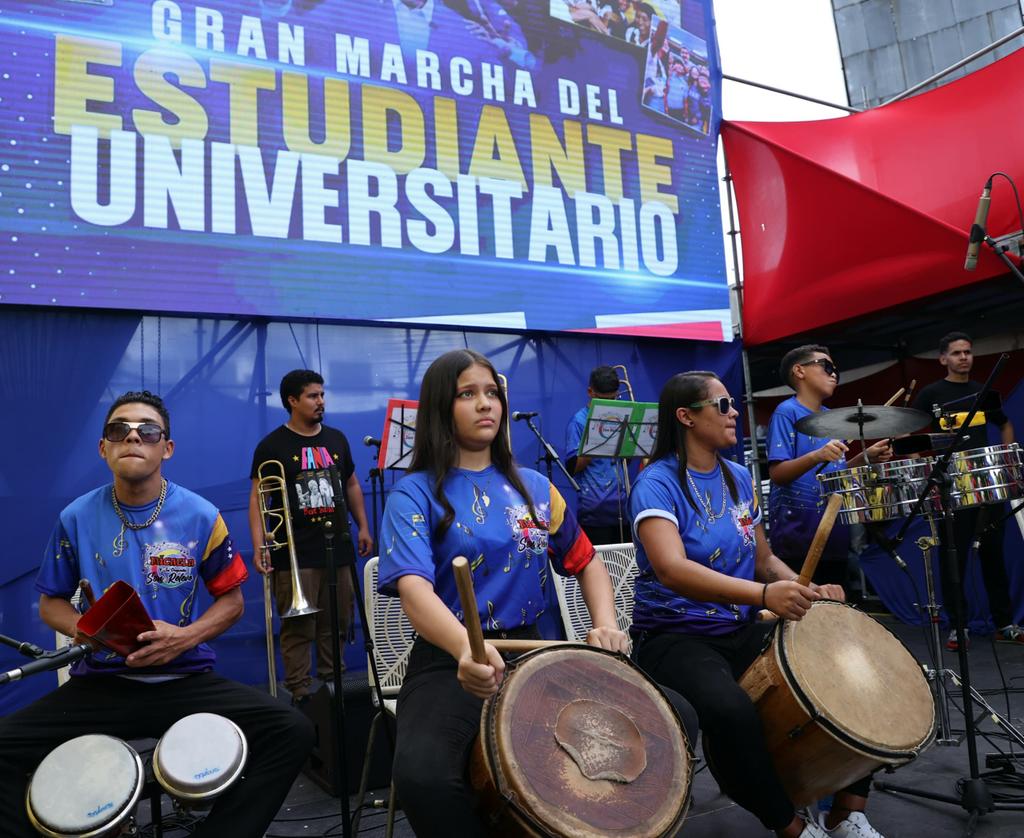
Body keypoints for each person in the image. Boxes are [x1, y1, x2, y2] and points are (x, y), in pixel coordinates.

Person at [377, 349, 681, 836]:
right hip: (450, 661)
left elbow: (587, 562)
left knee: (671, 720)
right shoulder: (413, 494)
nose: (486, 405)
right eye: (468, 394)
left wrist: (604, 624)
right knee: (423, 778)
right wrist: (465, 650)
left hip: (538, 653)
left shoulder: (538, 488)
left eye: (492, 393)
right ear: (440, 407)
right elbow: (414, 590)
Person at [0, 390, 314, 837]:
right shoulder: (75, 517)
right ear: (103, 447)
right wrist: (88, 630)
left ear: (165, 448)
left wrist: (185, 638)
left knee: (293, 731)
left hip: (185, 679)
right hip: (102, 684)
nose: (132, 437)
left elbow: (232, 602)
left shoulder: (202, 515)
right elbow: (51, 603)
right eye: (117, 430)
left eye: (147, 430)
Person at [629, 371, 885, 838]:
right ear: (686, 417)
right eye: (722, 405)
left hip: (740, 625)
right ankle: (790, 827)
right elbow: (671, 569)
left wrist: (806, 590)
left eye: (732, 404)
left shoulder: (737, 477)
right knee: (731, 710)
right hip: (673, 635)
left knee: (847, 664)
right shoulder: (656, 482)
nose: (734, 415)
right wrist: (766, 596)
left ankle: (848, 811)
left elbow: (764, 558)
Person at [249, 369, 373, 705]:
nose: (321, 402)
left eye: (322, 395)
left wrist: (362, 525)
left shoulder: (337, 438)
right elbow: (259, 498)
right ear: (292, 401)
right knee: (298, 628)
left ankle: (336, 686)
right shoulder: (272, 445)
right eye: (312, 396)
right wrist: (261, 545)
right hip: (294, 552)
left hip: (337, 549)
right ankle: (301, 692)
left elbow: (351, 484)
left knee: (338, 621)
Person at [912, 331, 1022, 649]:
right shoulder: (931, 394)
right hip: (951, 486)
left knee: (993, 554)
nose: (964, 357)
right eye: (957, 353)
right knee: (953, 556)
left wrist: (1006, 459)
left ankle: (1005, 623)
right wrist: (926, 467)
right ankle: (958, 627)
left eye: (968, 352)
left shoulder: (983, 391)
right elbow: (908, 431)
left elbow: (1005, 424)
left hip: (986, 483)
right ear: (943, 358)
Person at [767, 345, 892, 585]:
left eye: (836, 369)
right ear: (799, 371)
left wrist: (863, 458)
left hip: (834, 532)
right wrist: (817, 455)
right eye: (826, 366)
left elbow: (833, 474)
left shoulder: (830, 417)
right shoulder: (787, 412)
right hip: (798, 537)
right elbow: (778, 474)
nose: (834, 373)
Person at [565, 365, 630, 545]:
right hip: (594, 510)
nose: (610, 405)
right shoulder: (578, 421)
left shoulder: (622, 416)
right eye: (604, 400)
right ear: (590, 392)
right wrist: (597, 441)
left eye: (614, 398)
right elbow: (572, 468)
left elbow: (627, 460)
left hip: (622, 508)